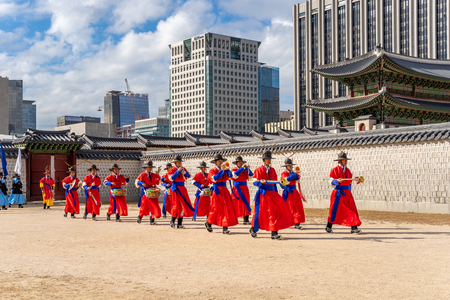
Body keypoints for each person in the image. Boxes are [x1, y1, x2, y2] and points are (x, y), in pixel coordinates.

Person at [249, 150, 295, 240]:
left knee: (275, 211)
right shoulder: (258, 170)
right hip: (263, 194)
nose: (269, 160)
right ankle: (253, 229)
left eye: (270, 159)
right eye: (267, 159)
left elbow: (275, 183)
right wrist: (259, 182)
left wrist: (282, 186)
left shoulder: (273, 170)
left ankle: (274, 232)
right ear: (263, 160)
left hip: (272, 193)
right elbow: (253, 182)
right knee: (260, 213)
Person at [326, 152, 362, 234]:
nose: (346, 161)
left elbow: (349, 181)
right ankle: (328, 226)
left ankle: (353, 227)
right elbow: (331, 182)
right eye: (344, 160)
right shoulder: (334, 170)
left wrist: (355, 179)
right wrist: (336, 181)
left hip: (347, 194)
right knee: (335, 210)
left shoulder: (348, 170)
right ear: (339, 161)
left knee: (352, 209)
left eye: (346, 160)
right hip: (338, 194)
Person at [205, 153, 239, 235]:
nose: (220, 162)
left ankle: (225, 228)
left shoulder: (225, 169)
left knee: (226, 208)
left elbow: (231, 176)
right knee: (215, 208)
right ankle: (208, 223)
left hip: (224, 190)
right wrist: (222, 171)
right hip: (217, 190)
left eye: (221, 161)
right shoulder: (212, 171)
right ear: (215, 162)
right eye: (219, 161)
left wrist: (227, 170)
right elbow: (214, 179)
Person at [167, 155, 195, 228]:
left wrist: (184, 172)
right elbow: (171, 178)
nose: (180, 163)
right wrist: (178, 171)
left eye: (180, 162)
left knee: (182, 205)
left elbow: (188, 176)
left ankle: (179, 224)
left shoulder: (183, 169)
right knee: (176, 205)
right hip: (175, 188)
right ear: (175, 163)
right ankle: (172, 221)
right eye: (178, 162)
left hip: (182, 188)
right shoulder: (172, 169)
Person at [280, 158, 307, 230]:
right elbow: (285, 181)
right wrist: (294, 174)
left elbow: (297, 178)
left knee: (296, 207)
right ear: (286, 167)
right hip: (288, 191)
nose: (291, 167)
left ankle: (297, 222)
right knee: (287, 207)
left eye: (291, 165)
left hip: (294, 192)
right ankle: (286, 221)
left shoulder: (293, 173)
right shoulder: (284, 173)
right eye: (289, 166)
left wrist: (295, 173)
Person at [136, 160, 161, 225]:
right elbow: (137, 182)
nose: (150, 168)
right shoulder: (142, 175)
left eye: (151, 167)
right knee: (144, 207)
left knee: (154, 206)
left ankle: (152, 221)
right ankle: (139, 217)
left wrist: (161, 178)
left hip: (153, 192)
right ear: (145, 168)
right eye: (148, 167)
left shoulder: (153, 174)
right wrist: (141, 183)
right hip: (146, 193)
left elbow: (158, 180)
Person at [230, 156, 253, 225]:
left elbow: (251, 175)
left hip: (244, 188)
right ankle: (232, 218)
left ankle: (246, 219)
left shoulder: (245, 170)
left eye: (241, 162)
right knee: (234, 203)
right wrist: (242, 168)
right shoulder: (233, 170)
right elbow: (234, 175)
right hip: (237, 189)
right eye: (239, 163)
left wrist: (247, 169)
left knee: (246, 203)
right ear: (236, 164)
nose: (241, 163)